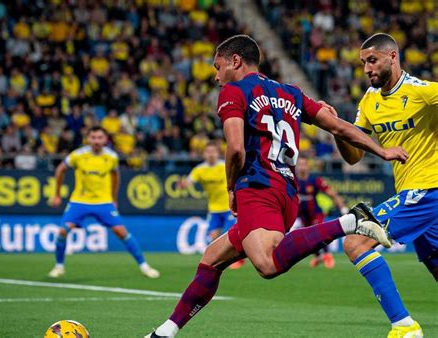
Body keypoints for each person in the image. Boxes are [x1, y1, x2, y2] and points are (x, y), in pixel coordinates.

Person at [145, 34, 408, 338]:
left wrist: (231, 187)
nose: (216, 77)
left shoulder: (233, 92)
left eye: (218, 67)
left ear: (236, 61)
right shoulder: (291, 93)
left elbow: (235, 149)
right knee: (212, 259)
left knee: (267, 264)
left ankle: (351, 221)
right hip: (286, 193)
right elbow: (338, 126)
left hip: (257, 187)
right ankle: (165, 332)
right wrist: (382, 151)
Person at [327, 33, 437, 338]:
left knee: (355, 241)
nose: (366, 69)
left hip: (428, 190)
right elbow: (353, 157)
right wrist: (339, 130)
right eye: (363, 63)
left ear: (393, 57)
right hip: (412, 194)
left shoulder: (424, 92)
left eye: (372, 60)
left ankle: (404, 326)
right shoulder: (369, 101)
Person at [48, 126, 160, 279]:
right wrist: (57, 194)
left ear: (105, 140)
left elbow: (115, 176)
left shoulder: (111, 157)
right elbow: (60, 169)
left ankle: (144, 266)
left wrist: (114, 198)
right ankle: (59, 267)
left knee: (121, 232)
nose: (96, 141)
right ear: (88, 139)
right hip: (79, 201)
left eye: (100, 138)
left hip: (103, 202)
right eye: (93, 137)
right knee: (62, 231)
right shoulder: (77, 155)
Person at [178, 141, 244, 269]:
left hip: (229, 207)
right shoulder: (200, 170)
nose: (211, 154)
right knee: (214, 237)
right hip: (214, 209)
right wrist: (183, 185)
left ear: (218, 153)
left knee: (232, 236)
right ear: (204, 154)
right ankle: (219, 262)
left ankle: (238, 260)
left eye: (213, 151)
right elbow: (189, 182)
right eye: (208, 152)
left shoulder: (224, 165)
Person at [295, 157, 349, 268]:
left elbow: (332, 193)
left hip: (315, 213)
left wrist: (342, 207)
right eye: (299, 164)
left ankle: (327, 255)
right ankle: (318, 256)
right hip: (303, 215)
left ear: (308, 166)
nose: (301, 167)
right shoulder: (293, 181)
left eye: (303, 164)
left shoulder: (315, 180)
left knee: (320, 232)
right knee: (309, 238)